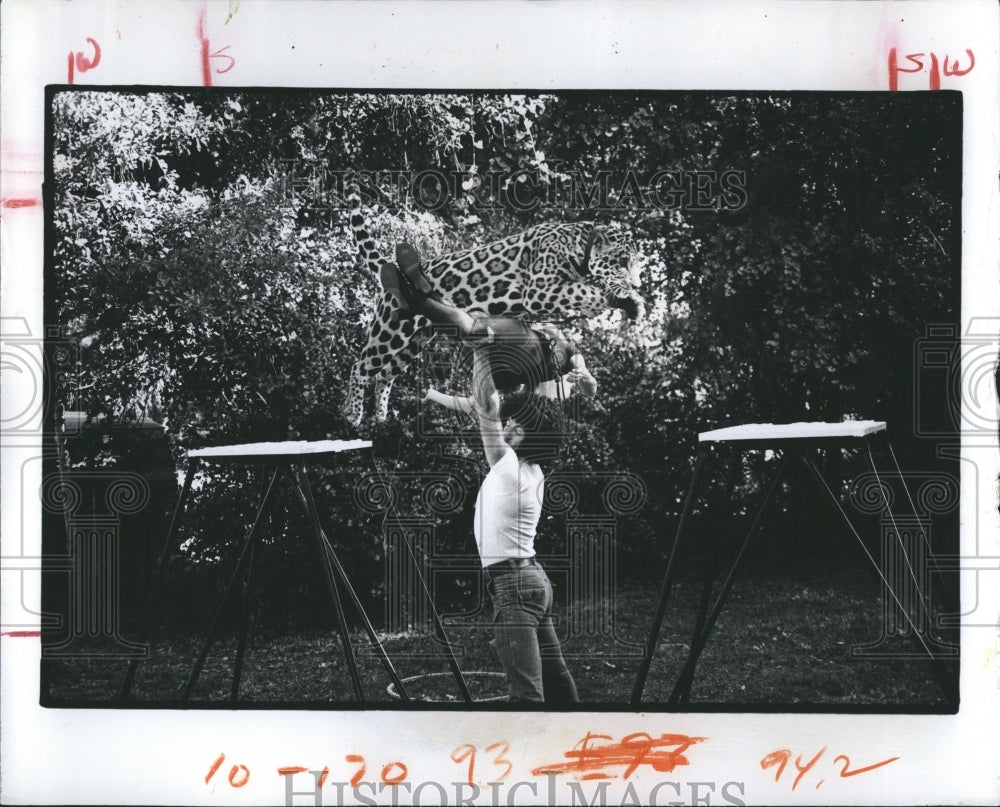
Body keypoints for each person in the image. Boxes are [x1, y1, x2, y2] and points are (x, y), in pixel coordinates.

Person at [466, 339, 579, 703]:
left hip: (515, 584)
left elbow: (487, 406)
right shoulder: (535, 470)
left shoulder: (510, 468)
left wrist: (479, 351)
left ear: (531, 435)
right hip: (532, 581)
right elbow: (500, 408)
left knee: (526, 692)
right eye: (511, 421)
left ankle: (528, 755)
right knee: (556, 677)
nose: (508, 425)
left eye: (518, 424)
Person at [380, 243, 598, 412]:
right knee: (473, 330)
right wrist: (585, 374)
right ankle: (415, 297)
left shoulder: (520, 403)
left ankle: (418, 291)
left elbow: (473, 404)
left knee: (468, 329)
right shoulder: (567, 358)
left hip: (504, 371)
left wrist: (433, 394)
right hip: (526, 342)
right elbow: (589, 385)